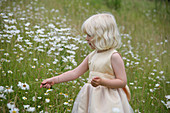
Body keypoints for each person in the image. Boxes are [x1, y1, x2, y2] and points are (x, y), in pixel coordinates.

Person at [40, 13, 134, 113]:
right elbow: (75, 73)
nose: (86, 38)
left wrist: (102, 82)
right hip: (92, 97)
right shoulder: (92, 55)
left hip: (109, 99)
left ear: (102, 36)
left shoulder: (114, 56)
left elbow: (122, 81)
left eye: (89, 35)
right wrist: (54, 80)